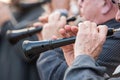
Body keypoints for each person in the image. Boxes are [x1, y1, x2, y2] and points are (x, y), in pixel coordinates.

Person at [36, 0, 120, 79]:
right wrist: (74, 62)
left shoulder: (115, 37)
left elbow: (56, 76)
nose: (78, 3)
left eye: (83, 0)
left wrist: (48, 43)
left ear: (105, 4)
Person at [62, 0, 120, 79]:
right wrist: (77, 63)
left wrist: (83, 58)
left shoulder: (115, 37)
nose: (117, 17)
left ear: (105, 4)